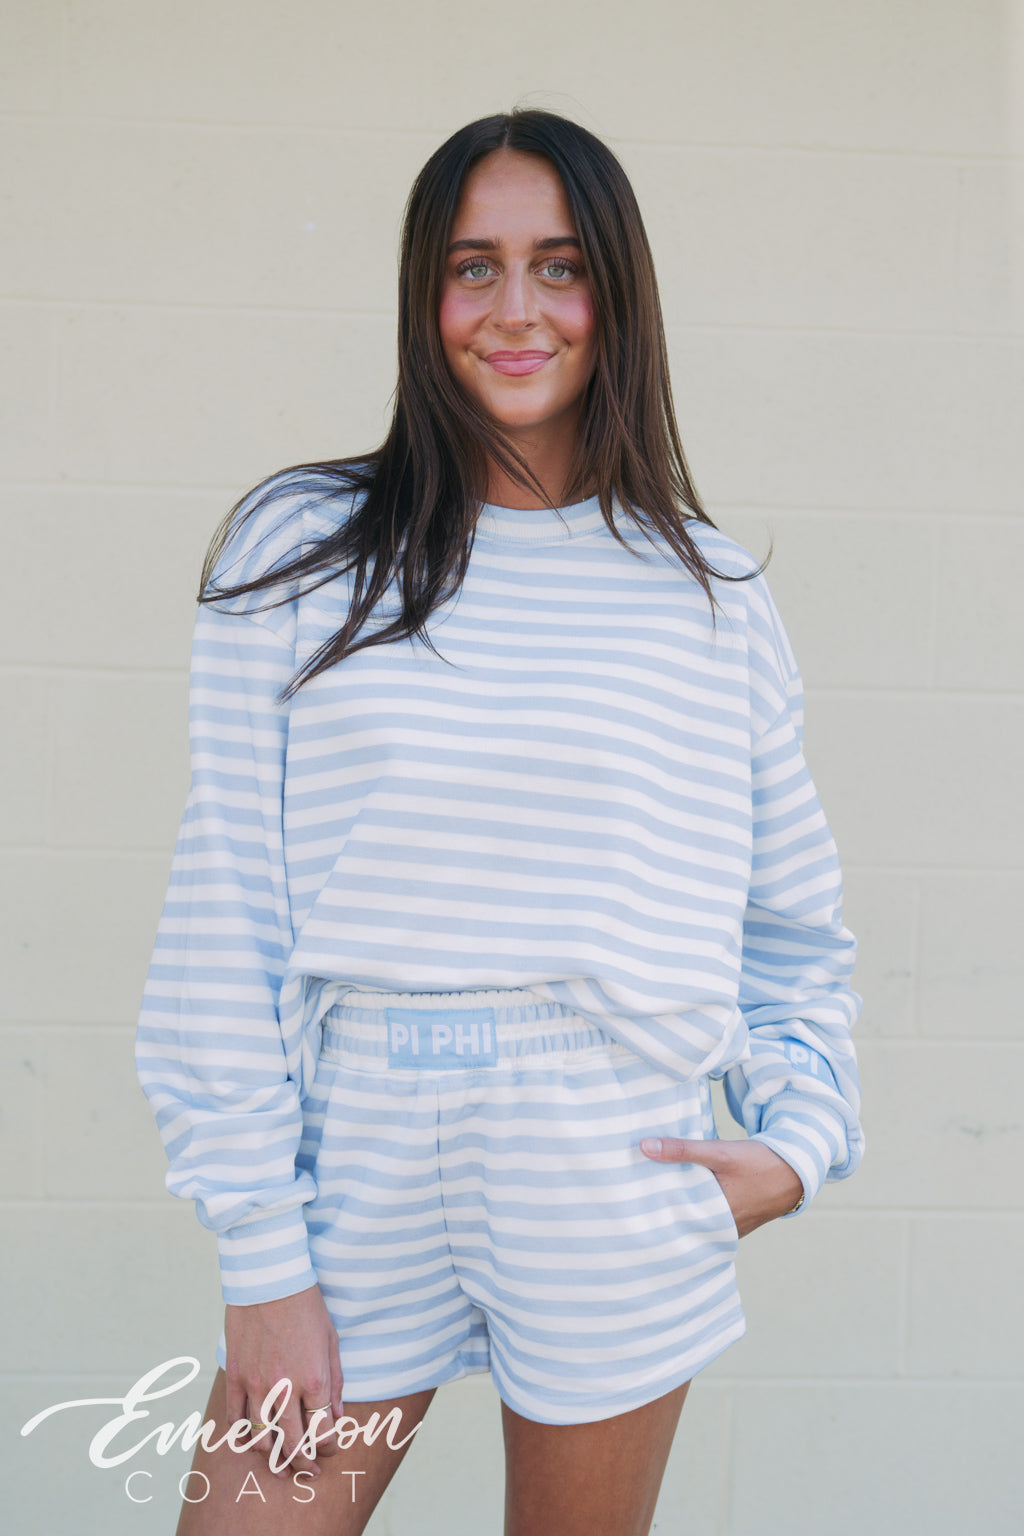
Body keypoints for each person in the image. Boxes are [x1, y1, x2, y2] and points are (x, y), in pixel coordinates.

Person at [136, 108, 863, 1536]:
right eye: (474, 266)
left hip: (608, 1147)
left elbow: (791, 922)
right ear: (426, 293)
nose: (515, 309)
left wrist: (802, 1140)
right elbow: (228, 909)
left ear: (617, 295)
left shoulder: (709, 593)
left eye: (559, 265)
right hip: (356, 1145)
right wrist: (260, 1260)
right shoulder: (301, 549)